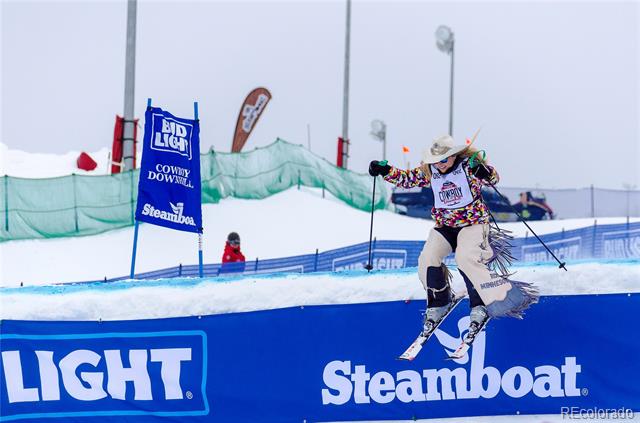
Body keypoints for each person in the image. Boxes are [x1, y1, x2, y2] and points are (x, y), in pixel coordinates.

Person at [369, 134, 538, 341]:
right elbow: (407, 179)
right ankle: (440, 301)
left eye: (443, 160)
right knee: (427, 259)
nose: (440, 165)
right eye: (436, 161)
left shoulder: (467, 167)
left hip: (473, 224)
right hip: (446, 226)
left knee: (465, 258)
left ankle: (482, 303)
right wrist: (385, 170)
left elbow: (493, 178)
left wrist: (484, 171)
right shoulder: (430, 171)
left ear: (453, 156)